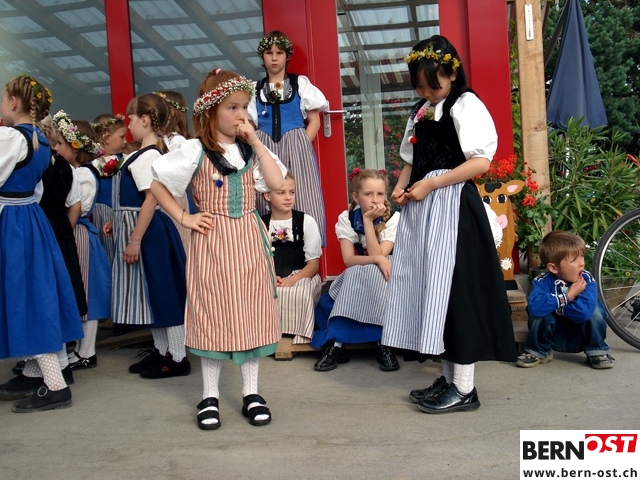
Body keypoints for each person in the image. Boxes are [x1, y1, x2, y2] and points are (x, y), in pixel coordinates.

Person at [381, 35, 517, 414]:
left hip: (453, 207)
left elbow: (480, 162)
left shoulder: (465, 104)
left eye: (433, 86)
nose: (426, 93)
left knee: (456, 293)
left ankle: (465, 388)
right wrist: (401, 187)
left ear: (452, 74)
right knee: (433, 291)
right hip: (424, 209)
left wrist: (433, 183)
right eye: (419, 87)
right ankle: (448, 377)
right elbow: (412, 160)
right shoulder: (422, 110)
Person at [150, 68, 286, 430]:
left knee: (252, 311)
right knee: (213, 313)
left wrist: (256, 141)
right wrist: (184, 216)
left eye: (244, 107)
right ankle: (208, 395)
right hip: (213, 241)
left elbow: (276, 183)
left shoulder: (250, 149)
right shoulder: (195, 149)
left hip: (249, 240)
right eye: (232, 108)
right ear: (210, 112)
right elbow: (157, 184)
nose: (241, 115)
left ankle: (251, 393)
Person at [0, 74, 83, 412]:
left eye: (3, 99)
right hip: (31, 219)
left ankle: (55, 384)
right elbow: (35, 189)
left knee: (26, 297)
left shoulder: (11, 137)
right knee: (33, 293)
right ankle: (36, 373)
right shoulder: (43, 142)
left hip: (12, 222)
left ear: (13, 102)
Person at [103, 93, 189, 379]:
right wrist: (118, 221)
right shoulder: (144, 154)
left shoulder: (148, 156)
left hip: (151, 233)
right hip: (145, 228)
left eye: (130, 119)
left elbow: (152, 199)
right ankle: (162, 351)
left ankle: (177, 356)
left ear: (145, 120)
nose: (128, 125)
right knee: (152, 294)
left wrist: (135, 239)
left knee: (164, 293)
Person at [311, 168, 400, 372]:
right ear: (356, 196)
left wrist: (368, 223)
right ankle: (337, 345)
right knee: (356, 272)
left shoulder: (393, 218)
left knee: (374, 273)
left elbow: (381, 255)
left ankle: (383, 343)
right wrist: (376, 256)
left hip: (387, 274)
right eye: (368, 194)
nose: (375, 200)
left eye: (380, 194)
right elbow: (349, 260)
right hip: (358, 270)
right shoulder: (348, 217)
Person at [249, 30, 328, 243]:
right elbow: (250, 125)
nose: (274, 58)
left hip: (297, 148)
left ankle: (306, 245)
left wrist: (300, 144)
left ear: (287, 56)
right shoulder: (255, 89)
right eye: (269, 53)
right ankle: (269, 244)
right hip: (265, 147)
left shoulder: (299, 84)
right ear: (263, 56)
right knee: (265, 193)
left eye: (279, 53)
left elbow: (314, 121)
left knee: (302, 192)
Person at [51, 111, 111, 370]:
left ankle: (87, 351)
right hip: (74, 232)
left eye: (60, 144)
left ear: (75, 147)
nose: (55, 148)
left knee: (85, 290)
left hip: (78, 234)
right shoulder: (75, 171)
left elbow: (79, 206)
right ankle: (79, 348)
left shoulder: (82, 174)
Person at [517, 231, 614, 369]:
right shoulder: (541, 281)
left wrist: (556, 307)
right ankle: (538, 351)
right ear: (553, 267)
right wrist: (568, 296)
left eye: (582, 256)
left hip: (580, 335)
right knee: (539, 311)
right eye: (574, 260)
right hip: (552, 336)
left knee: (595, 311)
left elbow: (584, 312)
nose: (581, 263)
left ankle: (596, 351)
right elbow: (535, 308)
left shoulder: (587, 280)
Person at [261, 172, 322, 344]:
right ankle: (266, 332)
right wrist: (271, 276)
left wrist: (293, 279)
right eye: (281, 193)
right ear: (267, 195)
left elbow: (313, 265)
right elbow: (257, 259)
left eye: (292, 192)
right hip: (271, 275)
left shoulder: (306, 222)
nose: (288, 197)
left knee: (300, 292)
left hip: (301, 274)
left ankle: (299, 332)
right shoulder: (260, 223)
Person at [90, 113, 127, 265]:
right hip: (98, 214)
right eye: (122, 137)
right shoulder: (92, 164)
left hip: (119, 213)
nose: (125, 141)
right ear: (106, 138)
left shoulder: (124, 160)